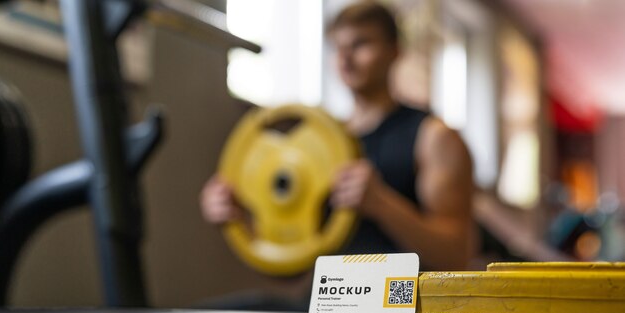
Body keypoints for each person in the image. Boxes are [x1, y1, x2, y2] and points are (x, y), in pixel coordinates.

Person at [201, 1, 474, 271]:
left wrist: (382, 204)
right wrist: (238, 215)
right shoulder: (325, 140)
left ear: (395, 52)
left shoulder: (434, 137)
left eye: (360, 44)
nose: (345, 58)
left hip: (399, 307)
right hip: (329, 302)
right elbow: (296, 265)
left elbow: (455, 257)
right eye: (338, 48)